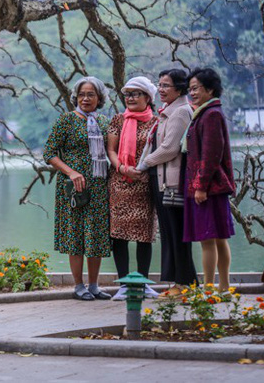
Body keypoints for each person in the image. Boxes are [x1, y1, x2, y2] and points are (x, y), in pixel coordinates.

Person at [43, 76, 112, 301]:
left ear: (99, 97)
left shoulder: (103, 122)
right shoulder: (67, 121)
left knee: (96, 236)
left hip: (99, 186)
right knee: (76, 236)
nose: (85, 98)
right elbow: (49, 153)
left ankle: (94, 285)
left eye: (90, 94)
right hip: (75, 187)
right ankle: (78, 285)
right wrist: (71, 172)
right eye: (81, 94)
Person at [136, 69, 198, 297]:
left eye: (166, 86)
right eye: (159, 85)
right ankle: (181, 283)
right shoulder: (167, 112)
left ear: (179, 88)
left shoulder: (181, 112)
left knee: (177, 233)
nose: (160, 90)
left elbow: (170, 149)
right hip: (160, 180)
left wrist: (143, 165)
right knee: (170, 233)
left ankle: (185, 285)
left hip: (171, 183)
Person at [182, 68, 235, 291]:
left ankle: (210, 287)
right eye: (190, 89)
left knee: (208, 239)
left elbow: (211, 154)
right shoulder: (204, 113)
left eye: (196, 88)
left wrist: (201, 187)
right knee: (219, 238)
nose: (192, 93)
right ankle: (222, 287)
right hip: (210, 186)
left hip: (209, 187)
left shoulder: (210, 114)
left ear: (210, 89)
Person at [107, 76, 158, 300]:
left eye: (135, 94)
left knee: (144, 235)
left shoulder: (156, 122)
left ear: (148, 97)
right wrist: (122, 168)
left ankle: (143, 283)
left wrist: (143, 167)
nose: (130, 98)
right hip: (120, 184)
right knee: (119, 235)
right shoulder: (118, 120)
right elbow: (110, 150)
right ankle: (124, 284)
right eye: (127, 94)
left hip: (146, 184)